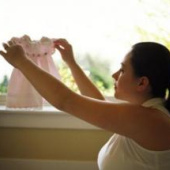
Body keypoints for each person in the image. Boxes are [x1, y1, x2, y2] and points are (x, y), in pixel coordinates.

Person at [0, 39, 170, 170]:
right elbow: (98, 104)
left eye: (123, 70)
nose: (114, 74)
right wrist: (71, 62)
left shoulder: (147, 120)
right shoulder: (148, 115)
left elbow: (66, 101)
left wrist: (21, 61)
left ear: (142, 83)